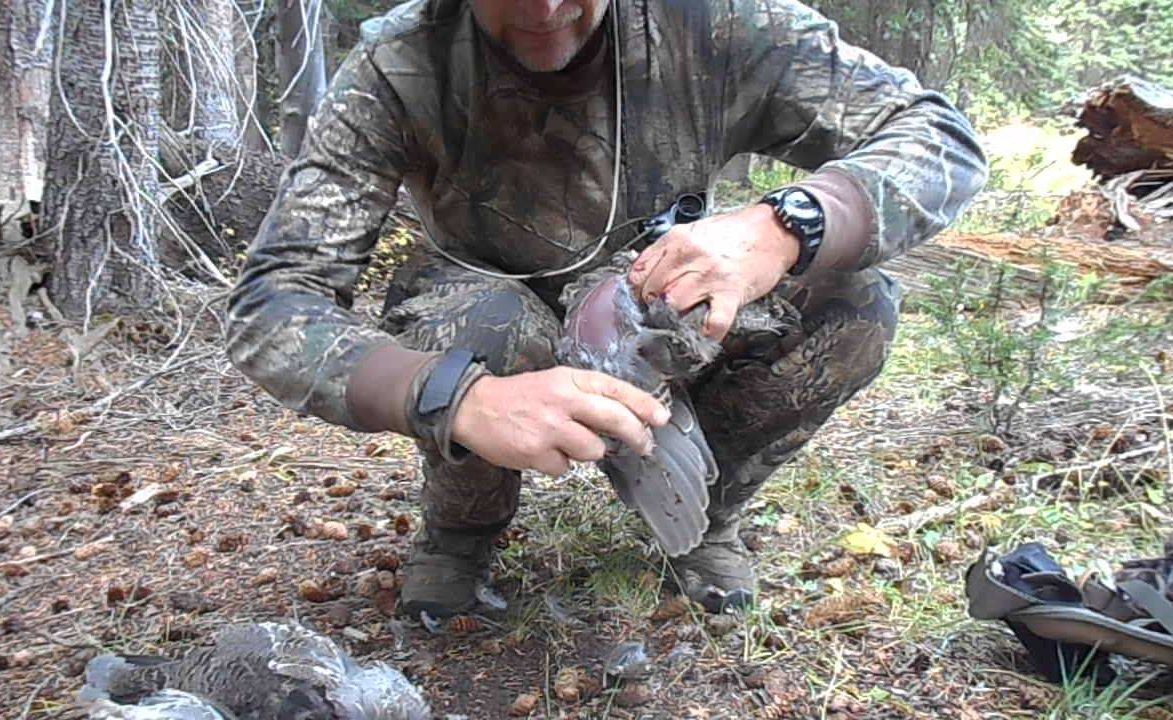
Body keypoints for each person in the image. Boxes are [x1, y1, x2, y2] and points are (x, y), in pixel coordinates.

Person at [226, 0, 988, 619]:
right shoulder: (403, 64)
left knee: (852, 302)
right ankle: (461, 530)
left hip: (655, 289)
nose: (547, 7)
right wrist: (454, 398)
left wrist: (788, 223)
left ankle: (703, 511)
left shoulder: (714, 23)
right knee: (481, 331)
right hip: (483, 288)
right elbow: (273, 299)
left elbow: (940, 136)